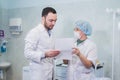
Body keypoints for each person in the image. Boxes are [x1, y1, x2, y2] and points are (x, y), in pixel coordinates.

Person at [24, 7, 60, 80]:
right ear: (43, 18)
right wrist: (45, 54)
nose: (54, 23)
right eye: (51, 20)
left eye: (55, 21)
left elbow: (50, 51)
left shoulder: (51, 33)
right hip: (39, 74)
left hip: (50, 73)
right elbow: (27, 53)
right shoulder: (34, 32)